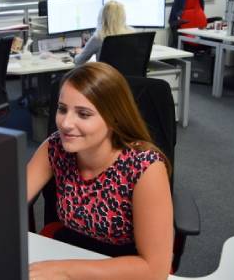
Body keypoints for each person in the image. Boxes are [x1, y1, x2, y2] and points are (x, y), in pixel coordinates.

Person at [27, 62, 173, 279]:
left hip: (125, 264)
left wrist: (64, 270)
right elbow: (9, 202)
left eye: (83, 114)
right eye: (62, 109)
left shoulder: (144, 167)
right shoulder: (55, 146)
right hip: (71, 248)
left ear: (114, 118)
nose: (66, 123)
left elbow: (155, 269)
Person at [74, 0, 134, 65]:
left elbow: (79, 61)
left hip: (106, 75)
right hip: (129, 75)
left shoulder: (98, 38)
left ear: (103, 17)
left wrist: (78, 54)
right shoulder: (133, 34)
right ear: (123, 16)